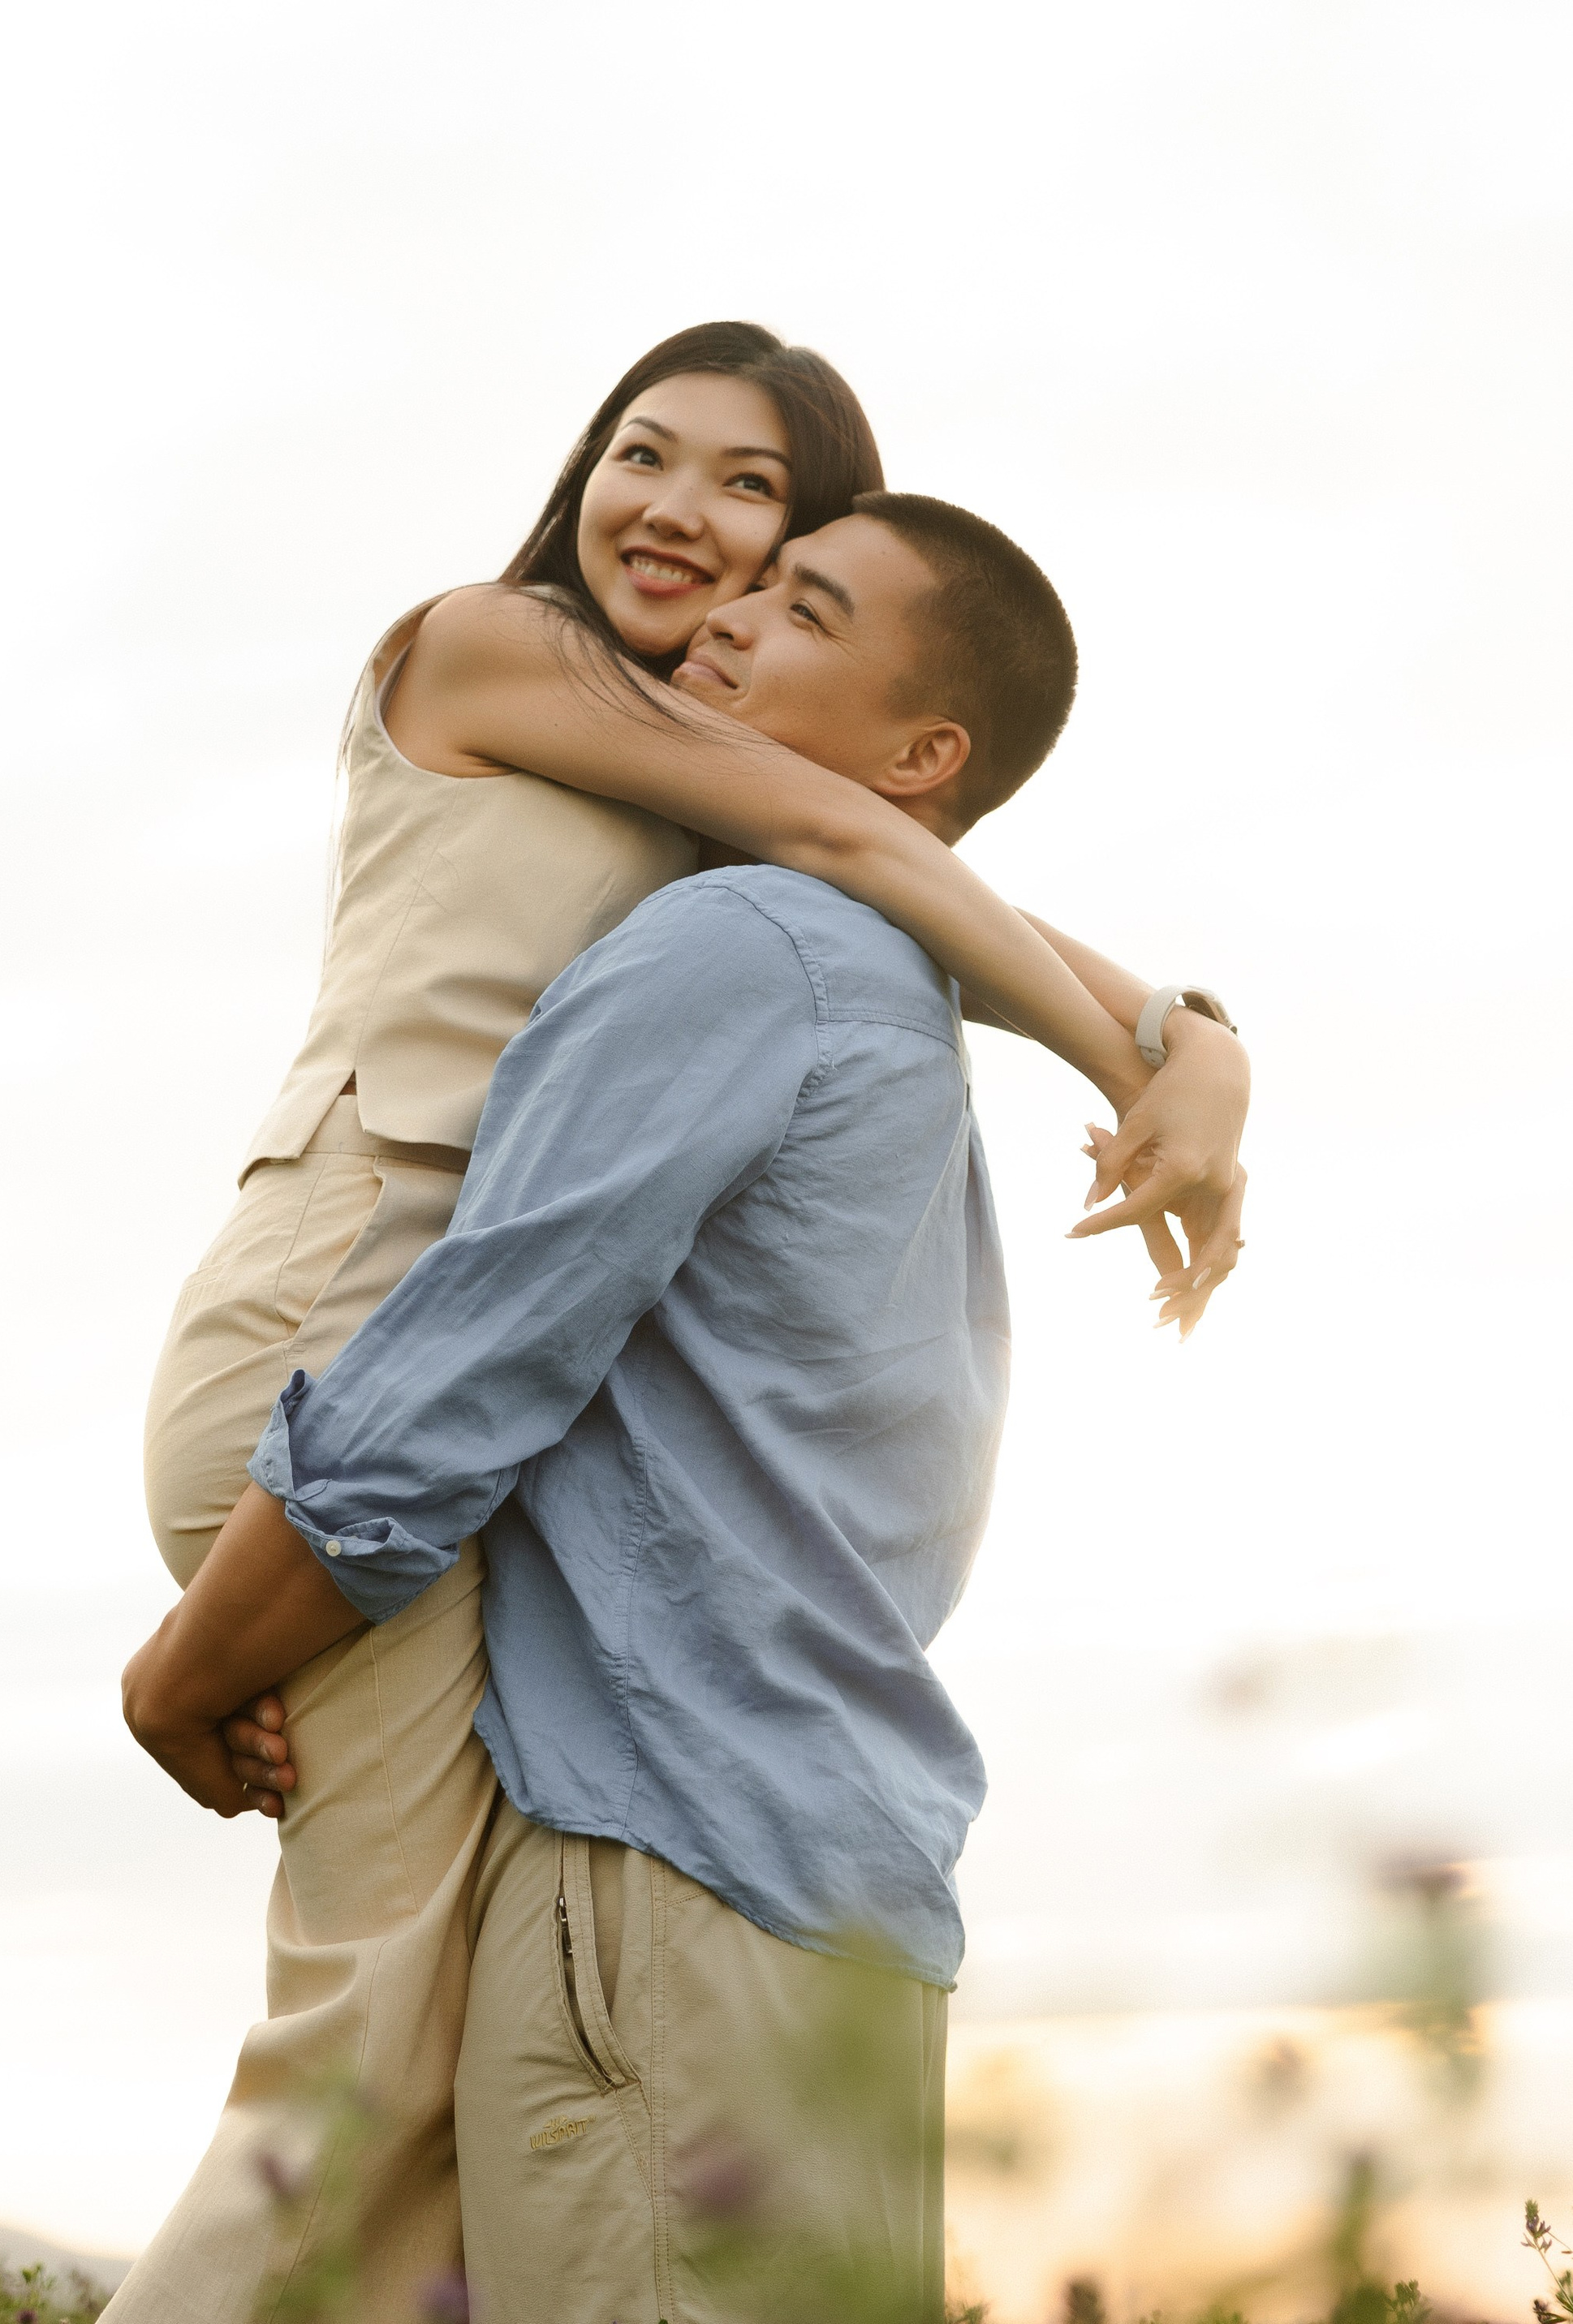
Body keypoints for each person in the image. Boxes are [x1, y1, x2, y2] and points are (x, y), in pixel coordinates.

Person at [116, 327, 1248, 2321]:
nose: (682, 515)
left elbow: (893, 847)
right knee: (362, 2065)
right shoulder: (488, 645)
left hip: (445, 1401)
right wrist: (1148, 1058)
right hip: (346, 1344)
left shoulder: (737, 836)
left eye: (756, 501)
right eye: (646, 454)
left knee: (449, 2123)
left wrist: (1191, 1049)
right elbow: (869, 840)